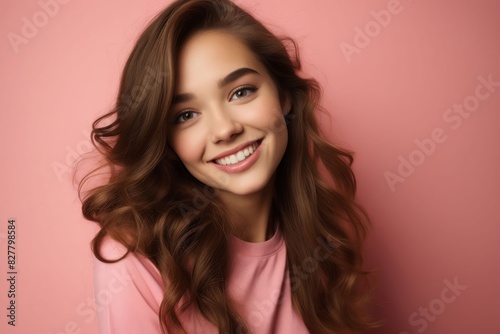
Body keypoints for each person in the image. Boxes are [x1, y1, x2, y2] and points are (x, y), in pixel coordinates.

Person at [79, 0, 379, 333]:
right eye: (186, 115)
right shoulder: (136, 258)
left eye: (241, 92)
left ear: (283, 96)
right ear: (167, 142)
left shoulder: (317, 234)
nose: (224, 130)